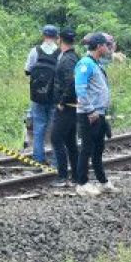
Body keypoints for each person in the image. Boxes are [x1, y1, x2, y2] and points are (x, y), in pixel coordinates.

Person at [75, 32, 114, 196]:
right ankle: (82, 183)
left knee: (98, 148)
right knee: (87, 149)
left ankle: (102, 181)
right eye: (106, 45)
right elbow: (80, 88)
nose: (108, 48)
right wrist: (90, 110)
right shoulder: (85, 64)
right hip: (89, 114)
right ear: (99, 46)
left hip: (99, 113)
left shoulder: (97, 63)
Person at [23, 25, 60, 167]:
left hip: (37, 97)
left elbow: (27, 71)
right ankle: (56, 161)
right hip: (54, 97)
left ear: (44, 35)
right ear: (56, 37)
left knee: (39, 128)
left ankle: (38, 159)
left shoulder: (35, 51)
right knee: (55, 129)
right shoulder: (59, 53)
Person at [50, 28, 80, 187]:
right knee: (70, 142)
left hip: (67, 106)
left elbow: (71, 82)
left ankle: (62, 176)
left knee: (56, 138)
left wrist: (62, 101)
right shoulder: (72, 57)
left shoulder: (68, 60)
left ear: (60, 39)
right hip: (71, 106)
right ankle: (76, 174)